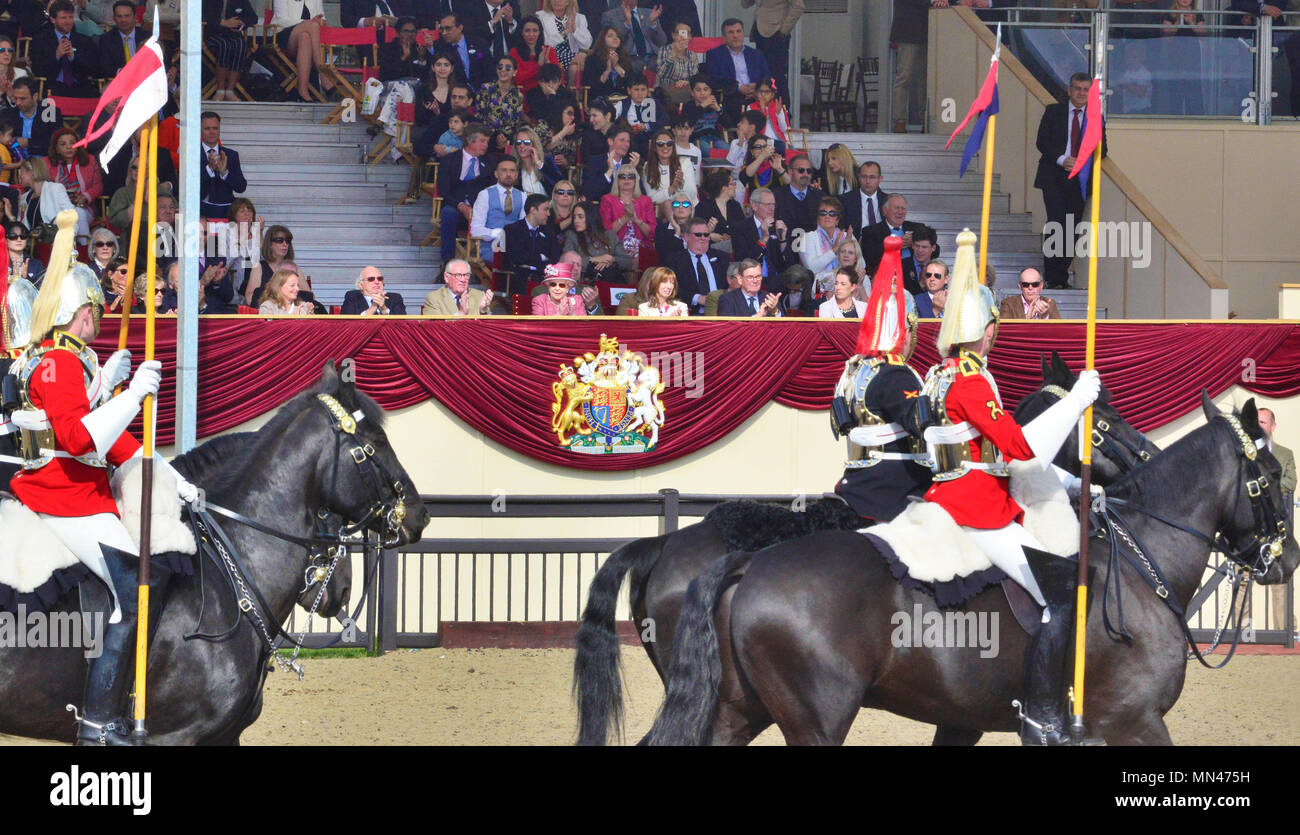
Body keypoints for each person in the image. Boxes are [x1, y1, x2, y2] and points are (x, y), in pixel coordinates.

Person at [9, 209, 198, 745]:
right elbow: (77, 440)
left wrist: (175, 480)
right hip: (65, 496)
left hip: (82, 491)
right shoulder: (60, 363)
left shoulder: (75, 363)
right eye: (93, 310)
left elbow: (118, 443)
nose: (98, 317)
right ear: (80, 312)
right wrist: (132, 394)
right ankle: (95, 720)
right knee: (136, 593)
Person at [921, 227, 1100, 746]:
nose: (996, 334)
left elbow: (998, 453)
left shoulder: (940, 373)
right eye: (993, 327)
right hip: (973, 505)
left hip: (951, 492)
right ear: (985, 329)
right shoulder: (972, 381)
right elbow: (1020, 448)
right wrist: (1075, 402)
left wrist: (1066, 479)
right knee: (1056, 592)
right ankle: (1043, 711)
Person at [829, 241, 929, 523]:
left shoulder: (854, 369)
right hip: (896, 490)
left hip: (858, 480)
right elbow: (922, 426)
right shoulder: (896, 373)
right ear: (903, 329)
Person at [1035, 72, 1107, 289]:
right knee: (1056, 222)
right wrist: (1062, 159)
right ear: (1069, 90)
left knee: (1072, 228)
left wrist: (1082, 160)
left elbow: (1103, 150)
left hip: (1080, 180)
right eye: (1077, 88)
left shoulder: (1095, 118)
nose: (1081, 93)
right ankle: (1050, 275)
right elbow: (1042, 142)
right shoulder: (1053, 111)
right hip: (1054, 176)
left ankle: (1061, 276)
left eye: (1086, 90)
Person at [1257, 407, 1297, 635]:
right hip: (1251, 526)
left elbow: (1290, 482)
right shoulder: (1247, 453)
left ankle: (1282, 632)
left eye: (1263, 422)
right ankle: (1241, 630)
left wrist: (1268, 489)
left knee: (1278, 578)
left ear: (1272, 426)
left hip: (1277, 526)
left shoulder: (1284, 453)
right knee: (1243, 577)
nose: (1260, 426)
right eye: (1257, 422)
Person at [437, 122, 495, 263]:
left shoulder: (490, 162)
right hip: (457, 208)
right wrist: (461, 206)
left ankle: (490, 262)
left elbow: (493, 189)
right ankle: (448, 262)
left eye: (487, 141)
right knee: (448, 213)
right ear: (469, 140)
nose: (486, 145)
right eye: (482, 141)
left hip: (481, 212)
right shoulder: (449, 160)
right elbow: (444, 191)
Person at [30, 0, 100, 97]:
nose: (68, 22)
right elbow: (38, 70)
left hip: (80, 87)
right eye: (63, 18)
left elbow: (94, 69)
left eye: (70, 17)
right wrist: (56, 56)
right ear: (53, 19)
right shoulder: (40, 40)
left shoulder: (84, 41)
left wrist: (73, 58)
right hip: (54, 86)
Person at [703, 17, 769, 120]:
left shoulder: (756, 54)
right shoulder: (715, 55)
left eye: (738, 31)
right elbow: (713, 79)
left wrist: (757, 88)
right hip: (732, 97)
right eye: (730, 32)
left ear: (743, 34)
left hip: (757, 96)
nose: (735, 36)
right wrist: (738, 88)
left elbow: (767, 77)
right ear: (724, 37)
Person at [860, 193, 926, 295]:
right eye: (896, 208)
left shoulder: (917, 228)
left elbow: (935, 250)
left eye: (903, 209)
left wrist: (915, 242)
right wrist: (896, 245)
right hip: (887, 283)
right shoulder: (871, 231)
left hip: (915, 281)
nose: (900, 212)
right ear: (885, 210)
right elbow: (869, 257)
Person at [270, 0, 335, 103]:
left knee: (304, 38)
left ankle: (303, 91)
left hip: (309, 38)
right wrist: (305, 23)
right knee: (312, 25)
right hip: (284, 34)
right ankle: (322, 73)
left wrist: (320, 21)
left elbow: (322, 18)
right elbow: (281, 20)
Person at [743, 0, 803, 104]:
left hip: (776, 33)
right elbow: (745, 4)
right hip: (759, 31)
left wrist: (784, 30)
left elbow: (799, 6)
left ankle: (783, 110)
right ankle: (764, 107)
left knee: (776, 75)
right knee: (762, 74)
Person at [730, 185, 792, 287]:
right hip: (753, 280)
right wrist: (763, 239)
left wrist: (783, 239)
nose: (772, 208)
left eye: (774, 204)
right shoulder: (740, 228)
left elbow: (789, 263)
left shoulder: (778, 226)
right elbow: (743, 261)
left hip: (778, 279)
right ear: (754, 206)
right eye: (768, 204)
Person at [667, 217, 730, 313]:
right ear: (686, 237)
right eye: (698, 235)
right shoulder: (675, 260)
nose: (703, 238)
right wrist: (697, 298)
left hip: (721, 312)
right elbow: (671, 288)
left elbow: (731, 285)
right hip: (691, 314)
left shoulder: (722, 258)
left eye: (706, 235)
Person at [503, 193, 562, 295]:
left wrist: (531, 262)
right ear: (533, 210)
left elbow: (554, 258)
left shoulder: (549, 232)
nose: (548, 214)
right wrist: (542, 258)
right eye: (545, 209)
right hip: (518, 279)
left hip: (543, 279)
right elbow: (516, 258)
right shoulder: (511, 230)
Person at [564, 200, 635, 283]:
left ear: (590, 216)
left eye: (580, 217)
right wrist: (594, 259)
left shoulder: (610, 235)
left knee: (610, 272)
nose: (576, 220)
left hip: (611, 277)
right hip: (587, 280)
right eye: (574, 217)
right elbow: (567, 262)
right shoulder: (572, 235)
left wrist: (612, 259)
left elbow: (628, 262)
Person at [47, 129, 101, 235]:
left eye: (72, 143)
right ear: (56, 149)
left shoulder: (90, 161)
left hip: (84, 207)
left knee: (78, 213)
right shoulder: (48, 164)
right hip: (57, 208)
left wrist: (85, 196)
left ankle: (83, 248)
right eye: (63, 144)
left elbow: (97, 186)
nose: (69, 147)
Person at [200, 0, 256, 100]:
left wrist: (241, 24)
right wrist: (223, 23)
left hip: (232, 35)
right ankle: (220, 89)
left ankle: (230, 90)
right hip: (212, 34)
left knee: (241, 45)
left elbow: (253, 17)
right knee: (224, 45)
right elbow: (202, 15)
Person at [599, 162, 655, 261]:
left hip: (641, 247)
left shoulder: (646, 201)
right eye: (622, 176)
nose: (626, 179)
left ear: (635, 180)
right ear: (617, 180)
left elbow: (651, 233)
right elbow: (607, 231)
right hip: (616, 247)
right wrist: (625, 217)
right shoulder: (607, 200)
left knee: (640, 258)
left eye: (631, 176)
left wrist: (636, 219)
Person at [198, 112, 247, 220]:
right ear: (199, 130)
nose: (212, 132)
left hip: (227, 211)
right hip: (200, 211)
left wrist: (225, 173)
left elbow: (241, 187)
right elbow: (187, 186)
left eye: (215, 128)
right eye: (207, 128)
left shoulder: (231, 155)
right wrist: (209, 169)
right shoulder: (191, 153)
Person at [17, 157, 80, 240]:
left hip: (55, 244)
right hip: (34, 246)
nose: (19, 175)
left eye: (21, 171)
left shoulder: (55, 189)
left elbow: (72, 217)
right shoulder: (25, 197)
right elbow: (22, 227)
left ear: (31, 172)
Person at [798, 196, 851, 291]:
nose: (827, 216)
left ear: (837, 220)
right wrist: (834, 250)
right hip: (820, 290)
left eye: (832, 213)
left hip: (846, 285)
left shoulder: (846, 236)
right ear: (817, 218)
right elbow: (811, 268)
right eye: (823, 213)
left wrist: (849, 249)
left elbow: (861, 264)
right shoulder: (807, 237)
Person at [601, 0, 666, 75]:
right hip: (628, 59)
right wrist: (627, 23)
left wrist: (654, 25)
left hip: (654, 59)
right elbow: (612, 41)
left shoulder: (649, 13)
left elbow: (662, 41)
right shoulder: (609, 16)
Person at [536, 0, 592, 85]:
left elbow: (587, 44)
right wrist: (566, 32)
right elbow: (546, 42)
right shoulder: (541, 16)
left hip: (573, 56)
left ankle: (569, 91)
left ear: (568, 2)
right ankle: (573, 93)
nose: (556, 1)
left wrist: (574, 28)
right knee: (583, 57)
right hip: (551, 54)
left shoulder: (579, 18)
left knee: (574, 68)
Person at [4, 78, 60, 160]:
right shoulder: (8, 114)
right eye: (16, 98)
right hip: (15, 163)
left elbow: (55, 141)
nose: (18, 102)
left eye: (23, 99)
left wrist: (28, 142)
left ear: (35, 96)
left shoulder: (50, 113)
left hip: (45, 162)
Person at [433, 12, 492, 87]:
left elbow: (489, 68)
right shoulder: (441, 48)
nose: (444, 33)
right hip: (456, 93)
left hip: (481, 90)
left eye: (448, 28)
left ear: (460, 27)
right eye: (442, 29)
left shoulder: (479, 43)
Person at [641, 128, 697, 206]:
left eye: (669, 143)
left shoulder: (685, 163)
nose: (665, 146)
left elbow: (692, 193)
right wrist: (673, 188)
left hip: (686, 208)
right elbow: (651, 198)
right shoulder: (648, 166)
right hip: (660, 211)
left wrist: (681, 183)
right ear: (654, 147)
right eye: (660, 144)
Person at [772, 153, 823, 238]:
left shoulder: (820, 197)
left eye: (809, 171)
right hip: (783, 246)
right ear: (790, 171)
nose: (805, 174)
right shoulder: (776, 196)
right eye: (801, 170)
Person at [583, 125, 638, 201]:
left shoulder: (629, 163)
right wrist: (609, 171)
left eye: (628, 141)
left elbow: (641, 194)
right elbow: (589, 193)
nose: (626, 144)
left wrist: (632, 171)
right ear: (610, 141)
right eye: (622, 140)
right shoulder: (595, 162)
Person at [680, 75, 732, 155]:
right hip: (696, 139)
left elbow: (728, 124)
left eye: (705, 89)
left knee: (730, 152)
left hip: (714, 138)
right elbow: (687, 123)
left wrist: (718, 110)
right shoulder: (689, 106)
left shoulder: (714, 105)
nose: (702, 93)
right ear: (692, 92)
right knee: (709, 152)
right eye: (698, 90)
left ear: (710, 91)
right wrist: (702, 106)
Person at [422, 258, 494, 314]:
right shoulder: (434, 298)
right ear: (446, 277)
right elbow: (434, 327)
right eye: (458, 275)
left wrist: (483, 311)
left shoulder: (479, 295)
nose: (463, 279)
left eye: (466, 275)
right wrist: (461, 313)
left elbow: (488, 328)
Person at [655, 20, 700, 108]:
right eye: (679, 33)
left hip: (686, 92)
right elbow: (660, 75)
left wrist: (686, 82)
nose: (682, 37)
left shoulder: (692, 54)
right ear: (673, 35)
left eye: (686, 33)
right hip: (666, 92)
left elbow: (695, 78)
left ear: (690, 37)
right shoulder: (664, 50)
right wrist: (673, 54)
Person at [696, 170, 742, 252]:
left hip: (735, 250)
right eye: (732, 183)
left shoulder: (735, 206)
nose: (735, 186)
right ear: (724, 188)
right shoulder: (703, 207)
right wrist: (710, 235)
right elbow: (696, 232)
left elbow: (743, 229)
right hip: (711, 251)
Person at [841, 160, 890, 235]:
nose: (867, 181)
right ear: (858, 178)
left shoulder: (888, 201)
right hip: (856, 243)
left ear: (880, 179)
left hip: (883, 243)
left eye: (872, 177)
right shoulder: (845, 200)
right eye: (864, 177)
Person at [587, 25, 636, 101]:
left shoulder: (624, 59)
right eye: (610, 36)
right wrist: (607, 71)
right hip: (600, 99)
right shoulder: (593, 59)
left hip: (622, 100)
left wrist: (616, 66)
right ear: (603, 39)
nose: (615, 38)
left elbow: (632, 82)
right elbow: (591, 85)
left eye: (618, 36)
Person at [511, 15, 558, 91]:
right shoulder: (514, 52)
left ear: (540, 32)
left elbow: (558, 79)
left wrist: (548, 65)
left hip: (546, 92)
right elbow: (517, 79)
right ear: (521, 32)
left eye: (535, 31)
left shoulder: (549, 51)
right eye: (527, 31)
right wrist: (538, 66)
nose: (531, 34)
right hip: (524, 93)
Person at [341, 265, 407, 315]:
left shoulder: (395, 298)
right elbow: (348, 324)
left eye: (380, 278)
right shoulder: (352, 297)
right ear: (361, 285)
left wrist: (384, 309)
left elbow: (401, 325)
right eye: (371, 279)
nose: (377, 282)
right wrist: (373, 307)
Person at [5, 220, 43, 285]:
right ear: (5, 240)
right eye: (13, 236)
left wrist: (26, 278)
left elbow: (43, 289)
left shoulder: (36, 264)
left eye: (23, 236)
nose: (19, 239)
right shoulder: (2, 262)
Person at [0, 34, 28, 110]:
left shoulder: (21, 74)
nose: (7, 53)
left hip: (11, 117)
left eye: (10, 50)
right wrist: (2, 92)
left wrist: (11, 96)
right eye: (2, 50)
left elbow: (25, 106)